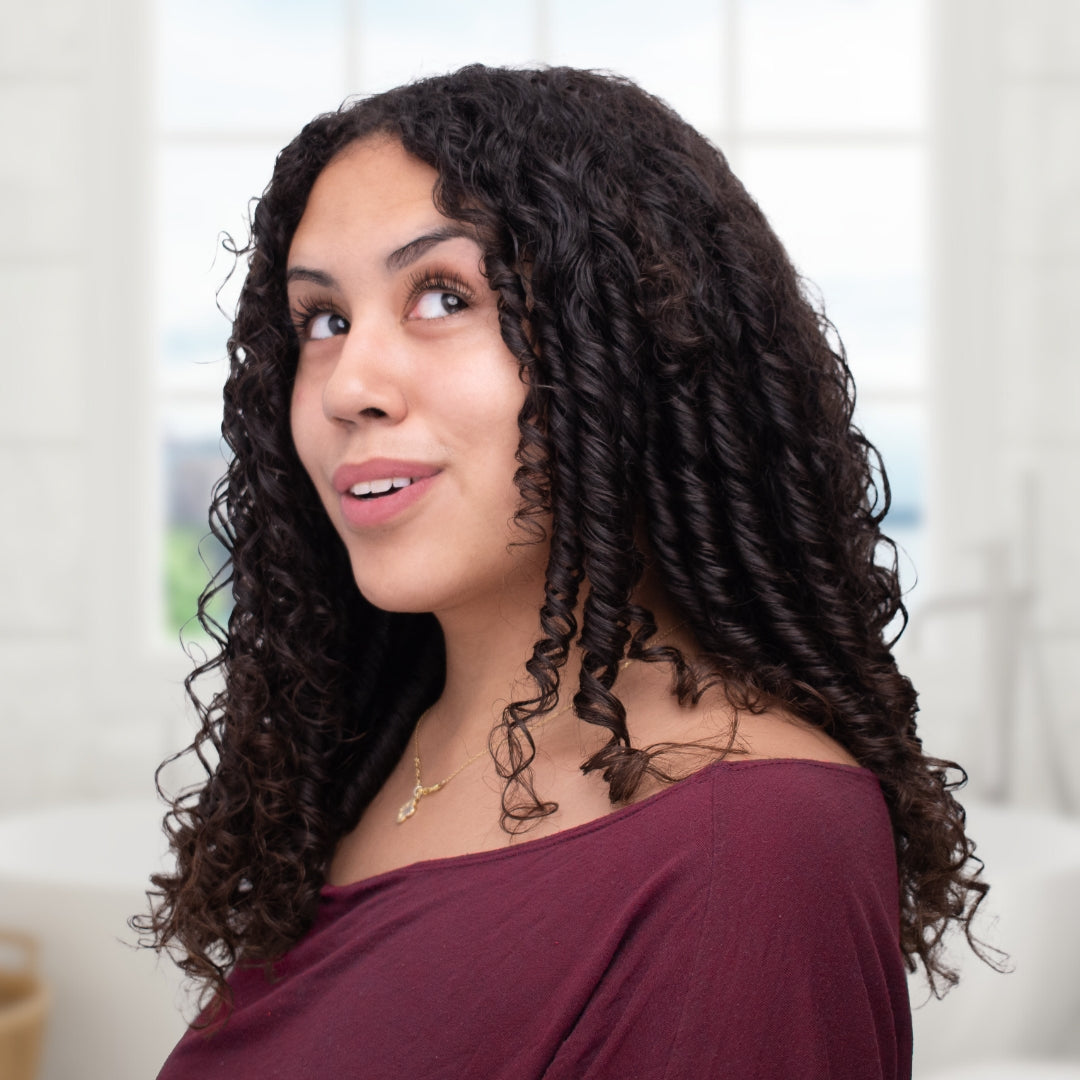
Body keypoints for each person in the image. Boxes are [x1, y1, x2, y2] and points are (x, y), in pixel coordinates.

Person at [142, 65, 989, 1079]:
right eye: (323, 319)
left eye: (443, 295)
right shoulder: (373, 755)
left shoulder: (751, 846)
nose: (349, 384)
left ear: (631, 348)